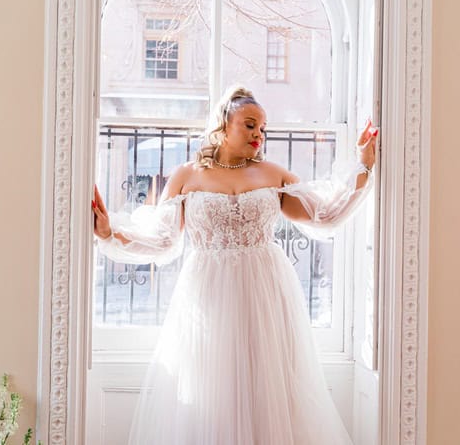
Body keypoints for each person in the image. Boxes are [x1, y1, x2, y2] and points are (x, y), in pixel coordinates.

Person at [91, 87, 377, 445]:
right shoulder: (186, 175)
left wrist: (363, 164)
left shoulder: (273, 173)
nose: (259, 134)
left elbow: (326, 214)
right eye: (250, 125)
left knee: (269, 389)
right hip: (209, 296)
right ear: (224, 125)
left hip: (266, 294)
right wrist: (110, 233)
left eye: (263, 128)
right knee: (212, 390)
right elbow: (162, 239)